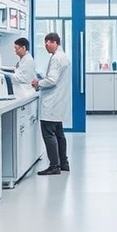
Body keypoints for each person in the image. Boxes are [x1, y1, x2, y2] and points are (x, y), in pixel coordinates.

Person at [31, 32, 70, 175]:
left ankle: (54, 165)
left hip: (52, 102)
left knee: (48, 134)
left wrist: (38, 83)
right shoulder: (63, 56)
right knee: (59, 133)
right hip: (58, 101)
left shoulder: (56, 58)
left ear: (54, 43)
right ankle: (63, 163)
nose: (46, 46)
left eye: (47, 43)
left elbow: (52, 80)